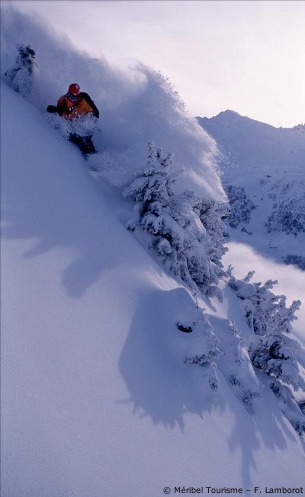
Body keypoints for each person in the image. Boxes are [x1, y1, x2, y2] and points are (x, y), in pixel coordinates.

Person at [47, 83, 99, 155]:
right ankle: (81, 148)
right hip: (74, 121)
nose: (73, 100)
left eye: (76, 97)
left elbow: (96, 113)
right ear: (68, 93)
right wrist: (54, 109)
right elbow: (61, 113)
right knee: (72, 135)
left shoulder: (83, 100)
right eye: (72, 97)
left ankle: (91, 154)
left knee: (84, 137)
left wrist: (92, 120)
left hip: (87, 120)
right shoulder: (62, 100)